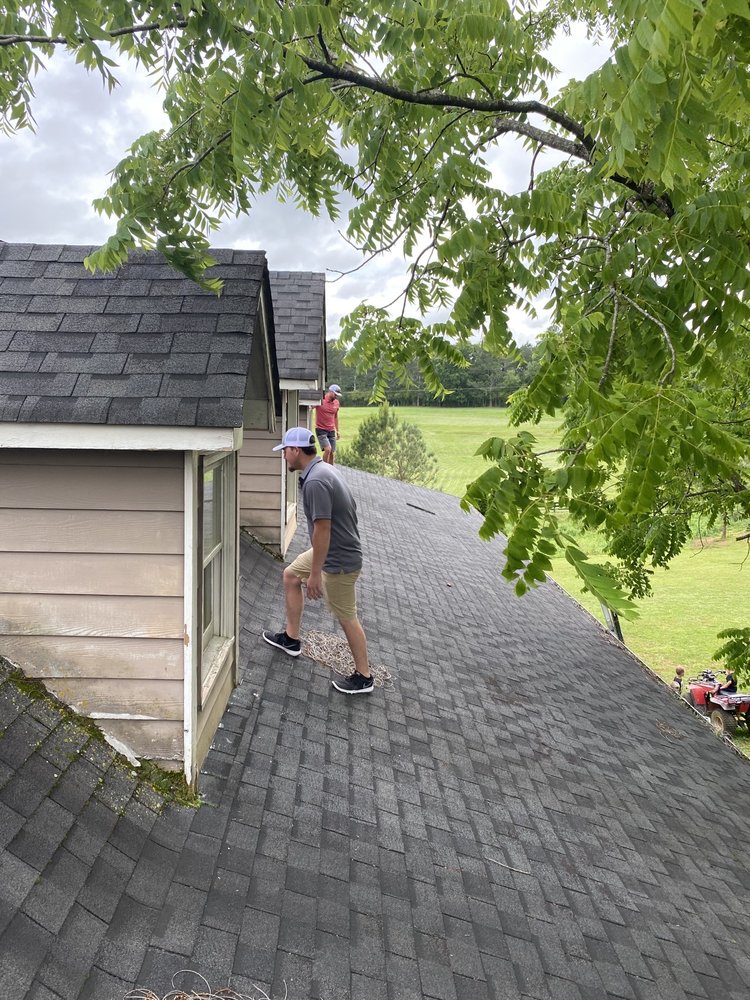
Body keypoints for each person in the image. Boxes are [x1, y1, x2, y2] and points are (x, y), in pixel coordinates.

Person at [262, 426, 373, 695]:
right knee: (291, 575)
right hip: (331, 549)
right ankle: (291, 639)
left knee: (346, 616)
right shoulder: (322, 469)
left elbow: (323, 529)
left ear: (296, 450)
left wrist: (315, 574)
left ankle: (364, 677)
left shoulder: (316, 482)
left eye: (285, 451)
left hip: (339, 558)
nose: (284, 456)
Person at [314, 384, 342, 464]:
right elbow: (310, 407)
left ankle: (331, 468)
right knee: (327, 449)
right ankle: (324, 467)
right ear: (330, 392)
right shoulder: (321, 400)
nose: (336, 397)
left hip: (331, 429)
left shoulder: (336, 403)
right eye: (335, 394)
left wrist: (337, 431)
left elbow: (335, 417)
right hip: (321, 429)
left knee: (332, 452)